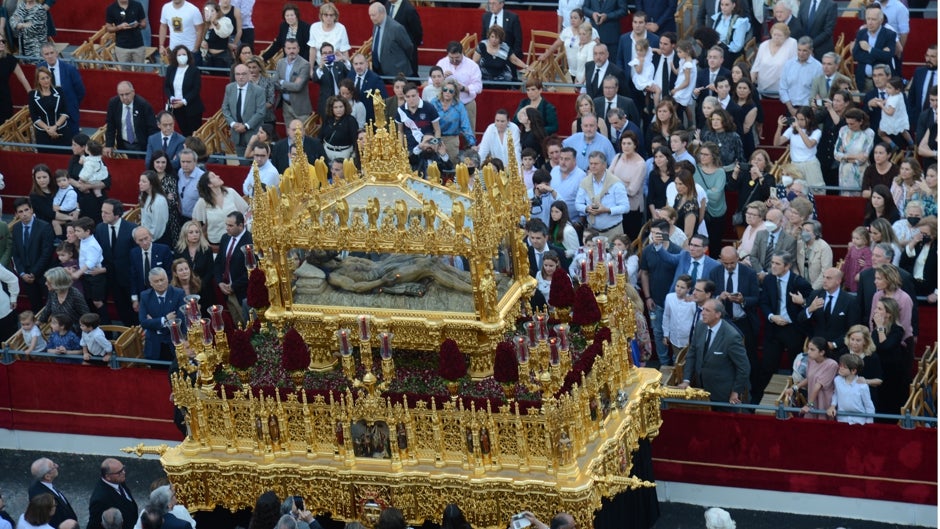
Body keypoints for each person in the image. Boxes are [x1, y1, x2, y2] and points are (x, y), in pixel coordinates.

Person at [755, 250, 812, 403]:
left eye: (777, 264)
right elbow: (764, 302)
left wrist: (803, 302)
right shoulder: (768, 280)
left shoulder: (799, 282)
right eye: (772, 263)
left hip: (793, 329)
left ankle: (795, 401)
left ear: (787, 266)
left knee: (796, 369)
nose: (773, 266)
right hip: (774, 327)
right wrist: (771, 317)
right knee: (767, 366)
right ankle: (762, 402)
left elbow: (812, 304)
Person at [678, 298, 750, 407]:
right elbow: (692, 354)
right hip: (700, 388)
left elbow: (744, 367)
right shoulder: (700, 326)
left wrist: (736, 391)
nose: (702, 313)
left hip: (722, 393)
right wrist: (687, 380)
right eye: (703, 309)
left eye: (707, 310)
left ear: (717, 314)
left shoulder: (731, 337)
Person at [95, 199, 138, 325]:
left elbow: (135, 257)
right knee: (122, 310)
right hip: (112, 279)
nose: (103, 215)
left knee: (134, 312)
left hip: (129, 279)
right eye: (102, 211)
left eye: (106, 213)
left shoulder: (132, 229)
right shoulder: (100, 228)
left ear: (117, 215)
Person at [870, 296, 910, 417]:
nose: (875, 311)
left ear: (888, 314)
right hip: (879, 370)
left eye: (879, 308)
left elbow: (885, 346)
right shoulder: (876, 329)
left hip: (892, 375)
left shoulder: (897, 330)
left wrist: (880, 327)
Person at [12, 197, 54, 311]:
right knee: (35, 306)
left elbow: (46, 253)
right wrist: (22, 273)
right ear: (16, 214)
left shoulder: (44, 226)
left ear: (31, 210)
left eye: (26, 210)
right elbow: (15, 254)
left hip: (43, 274)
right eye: (20, 212)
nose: (24, 214)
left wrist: (34, 273)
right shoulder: (15, 229)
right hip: (26, 276)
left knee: (51, 307)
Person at [576, 151, 629, 240]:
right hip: (592, 232)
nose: (592, 166)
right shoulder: (584, 182)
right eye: (591, 163)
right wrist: (587, 209)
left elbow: (625, 207)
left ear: (604, 165)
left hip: (613, 232)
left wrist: (607, 210)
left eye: (596, 164)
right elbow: (578, 204)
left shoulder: (615, 183)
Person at [785, 337, 838, 418]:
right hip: (812, 400)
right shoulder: (811, 360)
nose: (808, 352)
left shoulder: (832, 364)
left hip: (823, 401)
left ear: (822, 352)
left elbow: (818, 385)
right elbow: (809, 378)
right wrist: (794, 388)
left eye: (812, 349)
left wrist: (809, 405)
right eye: (808, 349)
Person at [214, 212, 252, 322]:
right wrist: (220, 282)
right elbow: (218, 263)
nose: (227, 228)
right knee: (237, 324)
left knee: (247, 324)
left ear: (241, 225)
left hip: (242, 292)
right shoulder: (225, 238)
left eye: (230, 226)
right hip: (226, 291)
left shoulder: (250, 241)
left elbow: (251, 270)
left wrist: (233, 286)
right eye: (226, 225)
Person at [851, 5, 898, 92]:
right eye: (868, 19)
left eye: (873, 19)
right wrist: (878, 55)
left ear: (881, 20)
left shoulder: (890, 34)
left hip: (883, 83)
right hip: (863, 80)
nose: (870, 22)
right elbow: (856, 54)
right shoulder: (861, 33)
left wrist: (869, 49)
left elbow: (888, 56)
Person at [222, 64, 266, 155]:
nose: (240, 77)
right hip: (236, 132)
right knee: (242, 162)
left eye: (243, 74)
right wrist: (233, 124)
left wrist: (246, 126)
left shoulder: (258, 91)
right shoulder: (229, 88)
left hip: (253, 132)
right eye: (238, 74)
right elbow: (225, 108)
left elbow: (260, 112)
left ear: (249, 74)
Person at [609, 131, 645, 238]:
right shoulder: (618, 157)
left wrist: (615, 182)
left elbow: (632, 191)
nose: (626, 146)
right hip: (615, 204)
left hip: (631, 208)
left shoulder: (640, 164)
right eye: (623, 143)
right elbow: (607, 177)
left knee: (629, 239)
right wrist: (624, 183)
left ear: (635, 145)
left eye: (629, 143)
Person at [129, 227, 174, 312]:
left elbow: (169, 273)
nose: (145, 242)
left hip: (162, 291)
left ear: (150, 236)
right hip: (144, 293)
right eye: (140, 240)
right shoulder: (134, 253)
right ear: (136, 241)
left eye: (146, 238)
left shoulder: (163, 250)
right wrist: (134, 299)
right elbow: (133, 277)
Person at [28, 66, 71, 153]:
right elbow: (34, 117)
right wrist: (48, 129)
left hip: (61, 130)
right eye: (43, 78)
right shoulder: (32, 95)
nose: (46, 80)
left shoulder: (59, 91)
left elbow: (65, 112)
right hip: (43, 133)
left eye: (47, 77)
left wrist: (55, 127)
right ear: (38, 81)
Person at [163, 47, 204, 137]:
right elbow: (166, 86)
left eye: (184, 54)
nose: (182, 56)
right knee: (184, 132)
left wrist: (184, 101)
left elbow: (196, 89)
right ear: (175, 57)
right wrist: (172, 98)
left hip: (192, 108)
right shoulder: (171, 69)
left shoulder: (194, 70)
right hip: (177, 107)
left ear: (188, 56)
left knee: (195, 134)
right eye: (179, 55)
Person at [29, 458, 79, 529]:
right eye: (53, 466)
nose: (57, 466)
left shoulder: (37, 485)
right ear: (47, 476)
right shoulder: (46, 498)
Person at [88, 458, 138, 529]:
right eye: (119, 472)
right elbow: (94, 525)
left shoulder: (118, 480)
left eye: (123, 469)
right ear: (108, 476)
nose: (124, 472)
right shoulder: (99, 499)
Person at [368, 1, 414, 78]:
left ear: (382, 13)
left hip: (395, 73)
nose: (371, 18)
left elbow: (408, 47)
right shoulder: (376, 24)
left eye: (374, 15)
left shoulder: (396, 28)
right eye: (370, 15)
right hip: (378, 70)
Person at [434, 77, 476, 161]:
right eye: (445, 89)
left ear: (454, 93)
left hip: (452, 139)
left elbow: (466, 126)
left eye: (451, 91)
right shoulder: (433, 103)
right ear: (442, 90)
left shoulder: (459, 106)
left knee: (452, 166)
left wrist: (472, 143)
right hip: (435, 138)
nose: (447, 92)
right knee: (433, 166)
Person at [825, 353, 875, 424]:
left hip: (859, 421)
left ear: (853, 371)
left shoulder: (863, 386)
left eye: (844, 367)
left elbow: (868, 405)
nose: (840, 368)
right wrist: (832, 406)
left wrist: (869, 423)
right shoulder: (837, 380)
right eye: (840, 365)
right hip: (842, 419)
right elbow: (836, 394)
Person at [175, 220, 216, 306]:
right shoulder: (179, 251)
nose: (195, 234)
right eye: (191, 232)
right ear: (185, 234)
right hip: (185, 289)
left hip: (204, 289)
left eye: (197, 232)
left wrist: (199, 285)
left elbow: (211, 271)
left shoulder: (206, 249)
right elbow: (176, 270)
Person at [748, 207, 796, 280]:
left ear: (781, 222)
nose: (768, 223)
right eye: (766, 220)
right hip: (758, 275)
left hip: (777, 277)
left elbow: (787, 262)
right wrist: (760, 272)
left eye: (771, 221)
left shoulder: (789, 240)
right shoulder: (760, 234)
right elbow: (753, 256)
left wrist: (767, 274)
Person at [750, 23, 796, 97]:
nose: (776, 37)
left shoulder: (791, 43)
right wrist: (749, 85)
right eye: (774, 35)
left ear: (786, 36)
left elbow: (795, 67)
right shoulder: (763, 45)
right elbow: (755, 67)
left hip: (782, 90)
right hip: (763, 89)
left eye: (780, 35)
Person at [481, 0, 523, 74]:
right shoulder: (486, 17)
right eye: (490, 3)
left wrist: (511, 57)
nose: (491, 6)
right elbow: (484, 37)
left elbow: (518, 40)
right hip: (489, 56)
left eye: (494, 3)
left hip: (507, 57)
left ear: (502, 4)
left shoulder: (513, 17)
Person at [875, 77, 914, 152]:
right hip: (900, 119)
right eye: (886, 87)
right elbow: (888, 99)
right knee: (904, 131)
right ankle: (911, 143)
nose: (886, 89)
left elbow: (890, 112)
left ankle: (893, 146)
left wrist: (881, 106)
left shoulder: (894, 99)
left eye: (889, 88)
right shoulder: (899, 94)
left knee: (881, 133)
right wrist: (883, 102)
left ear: (897, 89)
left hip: (892, 121)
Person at [0, 30, 32, 123]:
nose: (2, 43)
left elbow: (22, 78)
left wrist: (31, 94)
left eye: (3, 41)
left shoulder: (9, 59)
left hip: (4, 99)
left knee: (5, 126)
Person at [307, 2, 349, 68]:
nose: (328, 17)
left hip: (337, 66)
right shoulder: (314, 27)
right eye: (326, 15)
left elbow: (345, 51)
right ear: (321, 16)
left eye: (331, 15)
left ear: (335, 16)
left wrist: (347, 68)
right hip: (319, 65)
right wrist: (311, 69)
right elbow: (312, 50)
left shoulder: (341, 28)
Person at [710, 0, 750, 68]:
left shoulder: (739, 22)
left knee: (713, 60)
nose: (723, 7)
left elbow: (737, 46)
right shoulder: (718, 17)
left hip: (730, 54)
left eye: (726, 5)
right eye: (722, 5)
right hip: (716, 49)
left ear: (733, 5)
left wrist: (722, 47)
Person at [662, 274, 696, 355]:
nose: (678, 289)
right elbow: (666, 316)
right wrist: (666, 334)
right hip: (674, 338)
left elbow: (696, 321)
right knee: (677, 362)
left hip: (688, 340)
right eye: (677, 286)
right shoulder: (669, 297)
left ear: (688, 289)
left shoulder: (692, 302)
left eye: (682, 287)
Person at [319, 96, 359, 164]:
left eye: (341, 107)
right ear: (331, 108)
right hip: (326, 152)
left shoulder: (351, 120)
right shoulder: (328, 119)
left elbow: (355, 140)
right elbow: (321, 136)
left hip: (343, 154)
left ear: (345, 107)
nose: (339, 110)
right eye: (336, 107)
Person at [908, 46, 937, 132]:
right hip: (919, 121)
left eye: (932, 56)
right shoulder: (919, 72)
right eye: (927, 56)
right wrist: (913, 116)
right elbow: (911, 96)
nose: (928, 59)